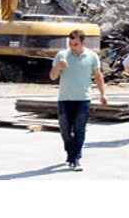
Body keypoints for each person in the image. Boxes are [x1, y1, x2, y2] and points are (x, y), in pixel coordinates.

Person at [49, 30, 108, 172]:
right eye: (70, 44)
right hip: (64, 99)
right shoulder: (61, 56)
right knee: (65, 131)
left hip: (83, 99)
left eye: (75, 44)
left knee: (79, 130)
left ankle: (75, 159)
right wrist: (58, 67)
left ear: (83, 43)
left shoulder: (92, 56)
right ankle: (71, 153)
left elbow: (98, 76)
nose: (72, 47)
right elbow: (52, 76)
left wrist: (103, 94)